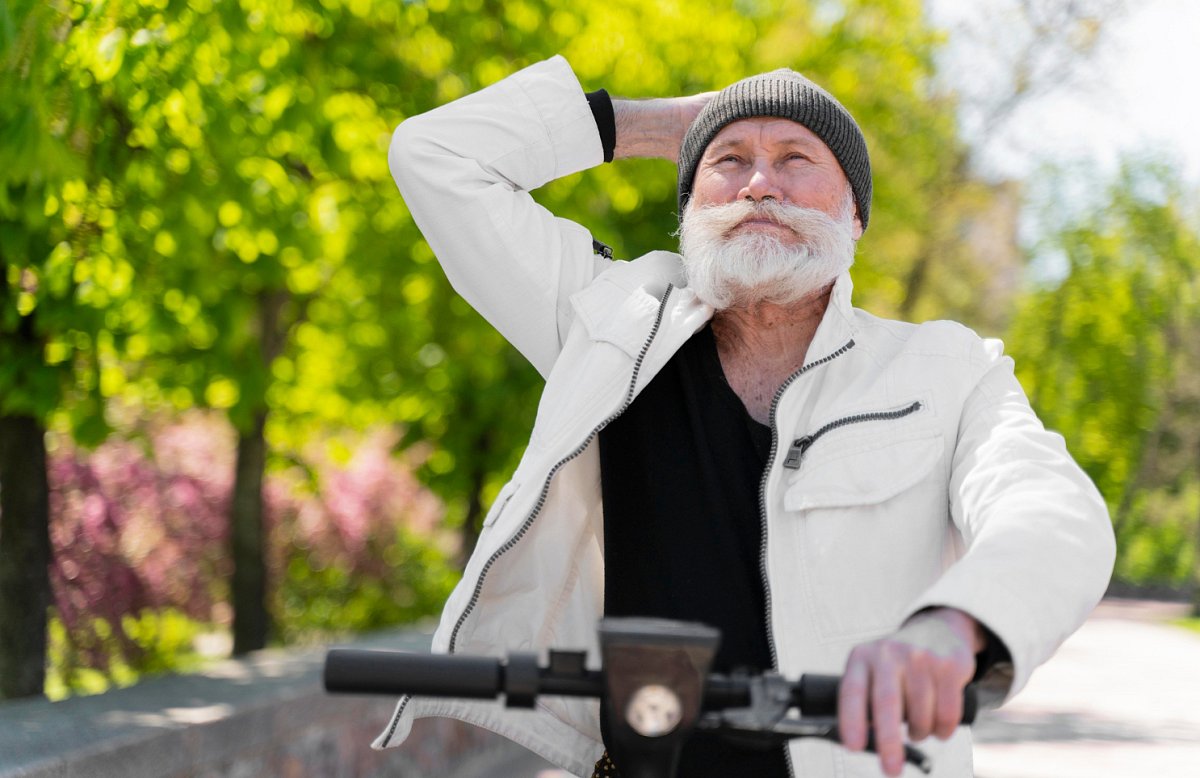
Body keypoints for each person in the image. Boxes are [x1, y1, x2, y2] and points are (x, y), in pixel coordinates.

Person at [374, 56, 1115, 777]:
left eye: (797, 158)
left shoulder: (948, 368)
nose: (760, 183)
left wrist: (956, 626)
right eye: (728, 162)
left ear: (855, 215)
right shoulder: (605, 326)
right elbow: (433, 155)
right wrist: (664, 126)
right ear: (690, 211)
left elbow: (1050, 509)